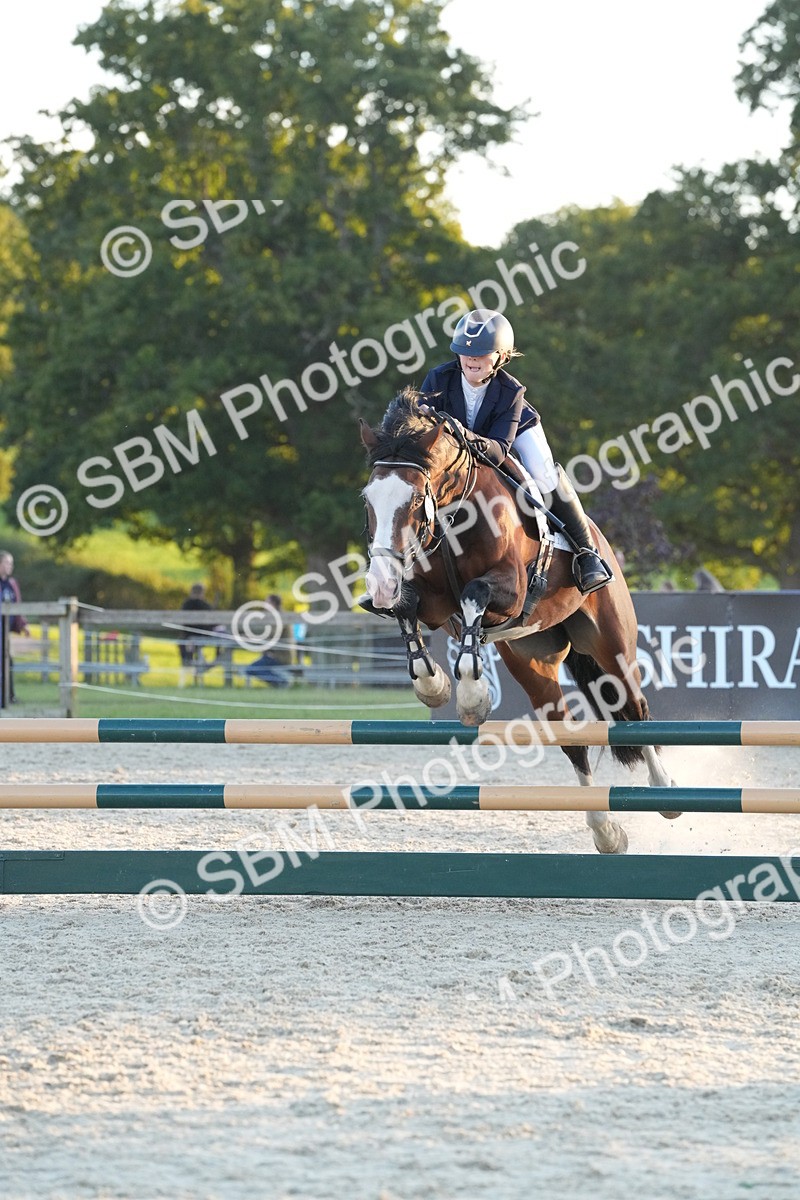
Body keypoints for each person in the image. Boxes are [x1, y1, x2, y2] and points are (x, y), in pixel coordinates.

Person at [418, 309, 613, 594]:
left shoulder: (511, 392)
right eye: (465, 352)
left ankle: (586, 553)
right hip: (458, 445)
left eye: (482, 353)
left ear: (501, 356)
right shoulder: (438, 379)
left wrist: (460, 433)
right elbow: (419, 427)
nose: (472, 358)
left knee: (543, 474)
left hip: (511, 433)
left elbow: (497, 452)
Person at [0, 551, 29, 703]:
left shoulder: (11, 584)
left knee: (7, 662)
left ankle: (8, 697)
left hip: (5, 632)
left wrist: (23, 624)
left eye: (11, 563)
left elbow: (17, 605)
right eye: (7, 563)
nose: (10, 566)